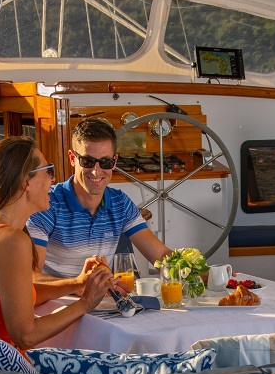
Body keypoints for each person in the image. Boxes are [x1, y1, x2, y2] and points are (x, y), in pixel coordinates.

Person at [0, 136, 119, 350]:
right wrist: (86, 303)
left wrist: (79, 283)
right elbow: (26, 336)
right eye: (48, 171)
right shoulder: (11, 241)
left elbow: (20, 295)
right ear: (26, 181)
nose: (52, 180)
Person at [27, 117, 172, 283]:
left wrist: (200, 272)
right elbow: (30, 275)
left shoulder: (120, 203)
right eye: (88, 161)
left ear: (114, 162)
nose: (96, 172)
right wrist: (77, 286)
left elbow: (160, 256)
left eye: (105, 162)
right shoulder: (46, 204)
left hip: (102, 303)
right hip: (57, 304)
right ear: (72, 158)